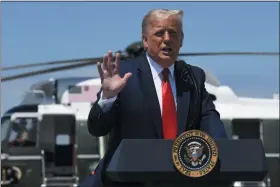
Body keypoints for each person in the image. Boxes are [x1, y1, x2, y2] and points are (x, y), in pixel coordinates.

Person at [79, 8, 228, 187]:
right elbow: (97, 128)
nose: (167, 39)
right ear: (145, 41)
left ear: (181, 40)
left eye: (173, 33)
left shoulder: (193, 77)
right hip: (128, 181)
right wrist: (108, 98)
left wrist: (224, 152)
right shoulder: (124, 75)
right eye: (159, 33)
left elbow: (210, 119)